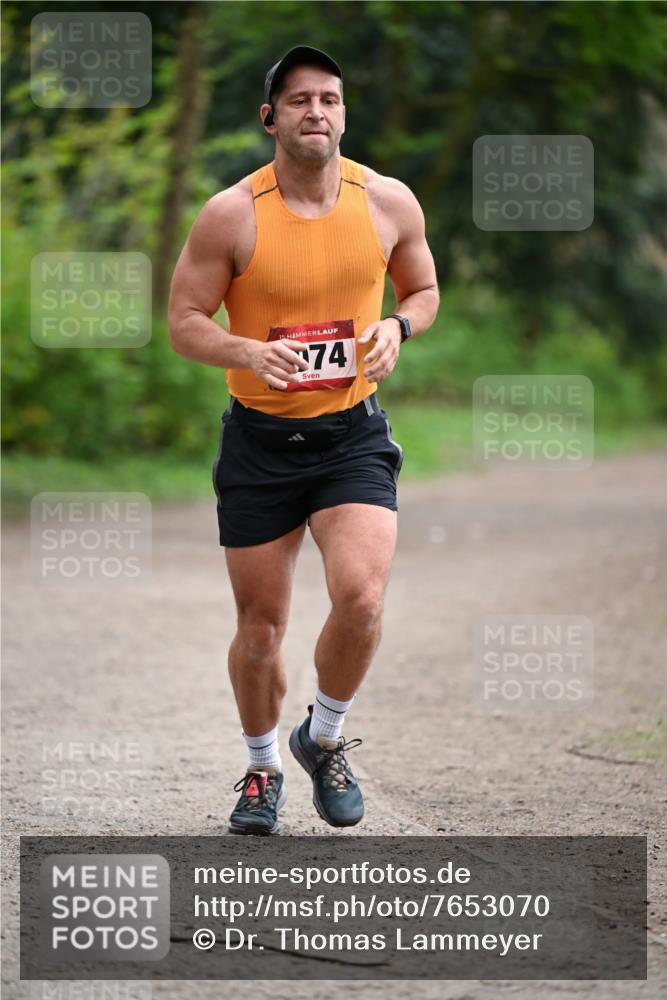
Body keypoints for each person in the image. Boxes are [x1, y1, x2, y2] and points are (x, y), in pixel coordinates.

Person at [168, 45, 439, 835]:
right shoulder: (231, 214)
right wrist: (246, 351)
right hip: (258, 442)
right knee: (260, 634)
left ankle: (321, 740)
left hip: (351, 435)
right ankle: (260, 772)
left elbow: (421, 290)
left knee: (360, 601)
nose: (315, 112)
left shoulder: (387, 202)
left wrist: (396, 326)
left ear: (343, 114)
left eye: (328, 99)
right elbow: (184, 322)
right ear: (270, 118)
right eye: (298, 102)